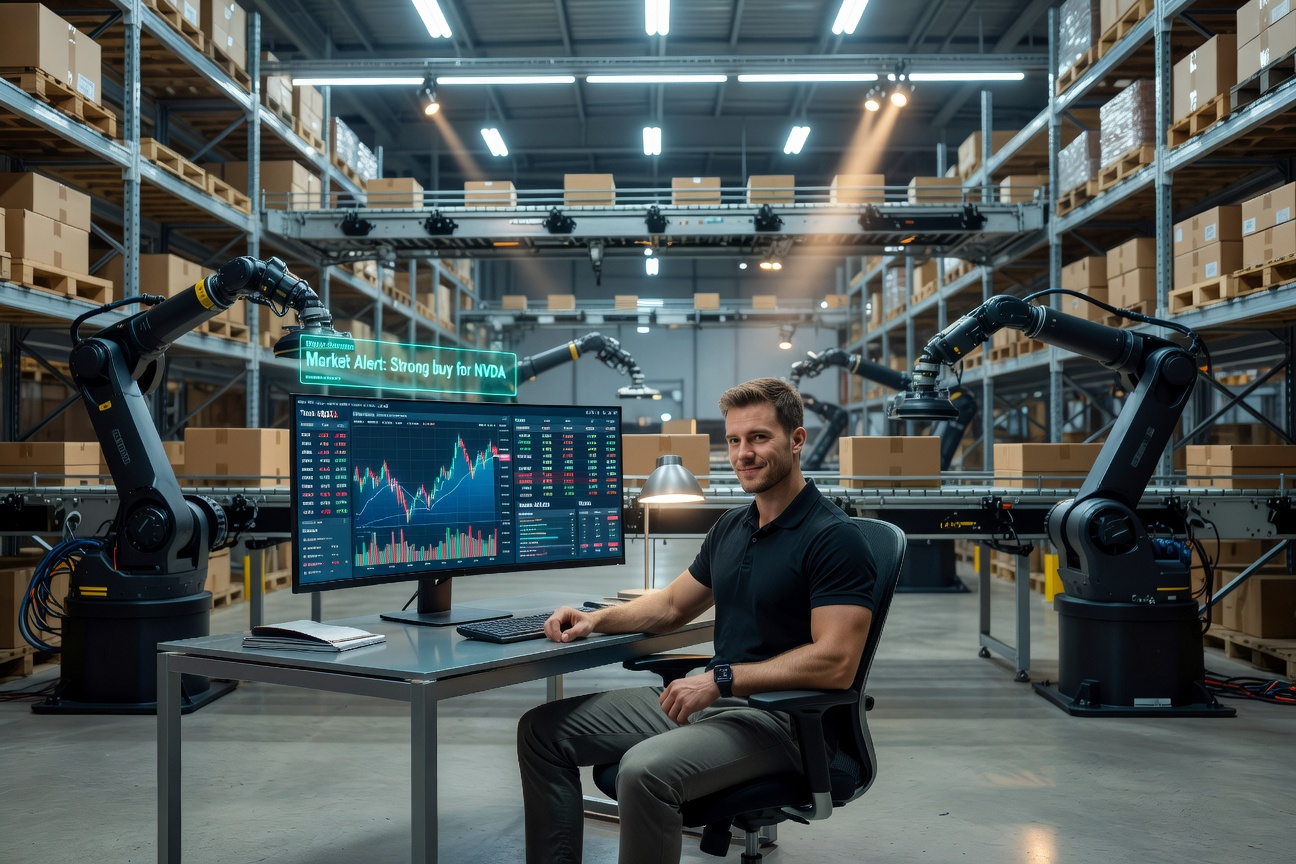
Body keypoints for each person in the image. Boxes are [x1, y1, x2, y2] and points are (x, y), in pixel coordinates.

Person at [517, 377, 877, 864]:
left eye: (759, 438)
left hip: (781, 721)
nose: (743, 453)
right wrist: (594, 619)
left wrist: (721, 678)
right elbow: (670, 607)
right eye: (734, 440)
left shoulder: (833, 538)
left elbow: (836, 662)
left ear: (796, 440)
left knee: (643, 771)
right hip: (717, 704)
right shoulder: (732, 526)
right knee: (542, 732)